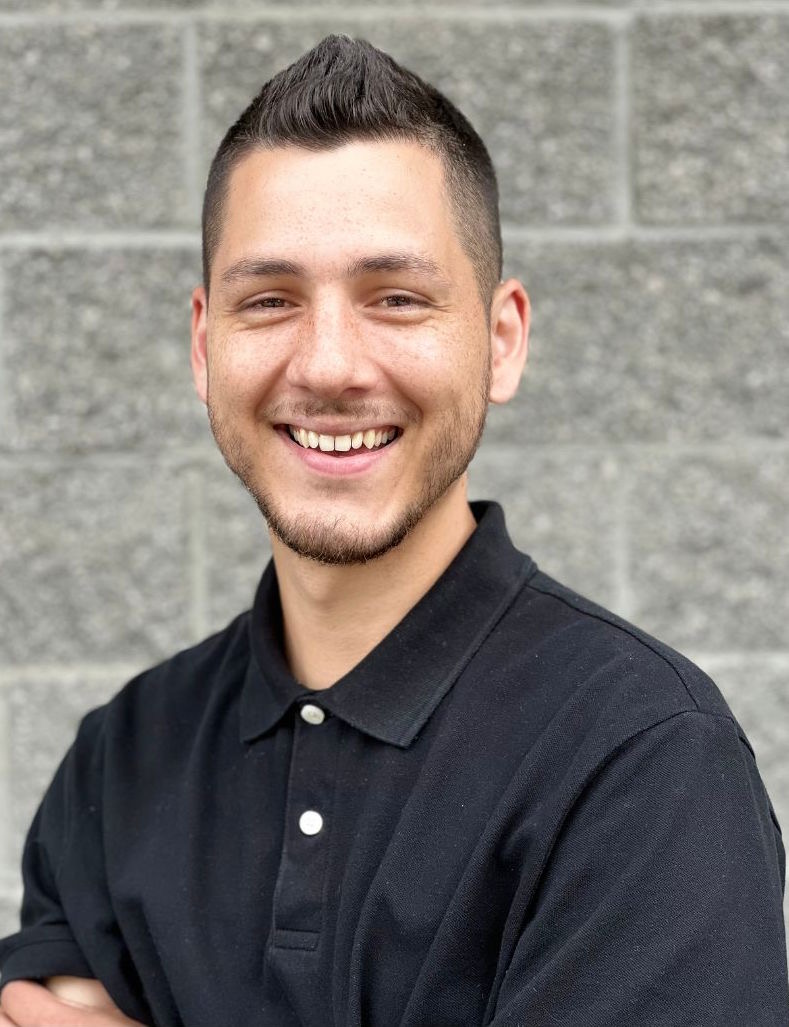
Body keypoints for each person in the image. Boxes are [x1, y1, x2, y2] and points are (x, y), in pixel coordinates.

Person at [0, 33, 787, 1027]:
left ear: (500, 341)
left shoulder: (641, 758)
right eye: (271, 300)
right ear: (206, 346)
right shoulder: (121, 761)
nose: (329, 365)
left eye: (397, 299)